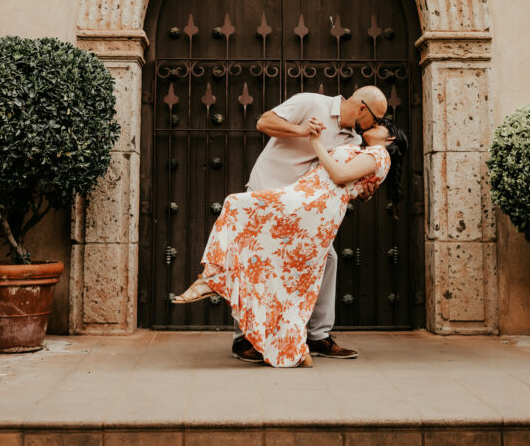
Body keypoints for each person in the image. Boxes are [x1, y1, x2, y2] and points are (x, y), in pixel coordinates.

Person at [172, 116, 407, 367]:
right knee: (289, 278)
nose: (373, 125)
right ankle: (291, 345)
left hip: (311, 205)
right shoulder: (364, 150)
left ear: (390, 137)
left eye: (380, 125)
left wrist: (315, 141)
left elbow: (340, 176)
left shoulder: (380, 154)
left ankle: (215, 277)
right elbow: (354, 184)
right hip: (309, 201)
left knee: (236, 205)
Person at [235, 86, 390, 362]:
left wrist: (363, 192)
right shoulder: (311, 103)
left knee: (328, 259)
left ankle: (318, 336)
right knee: (256, 262)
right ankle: (244, 339)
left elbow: (340, 175)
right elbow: (264, 122)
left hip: (302, 208)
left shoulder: (354, 140)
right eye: (376, 119)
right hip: (267, 191)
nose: (375, 125)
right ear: (362, 108)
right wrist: (301, 130)